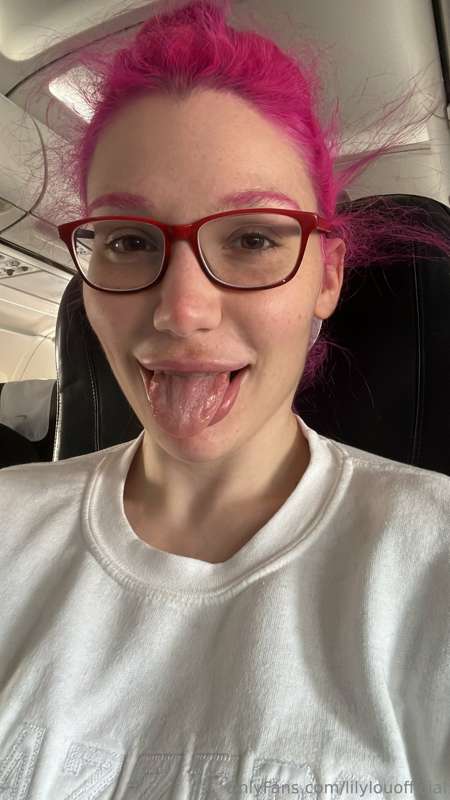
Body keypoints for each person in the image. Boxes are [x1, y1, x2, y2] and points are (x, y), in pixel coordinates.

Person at [0, 1, 449, 797]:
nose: (181, 312)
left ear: (327, 277)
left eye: (252, 239)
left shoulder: (431, 564)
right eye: (129, 240)